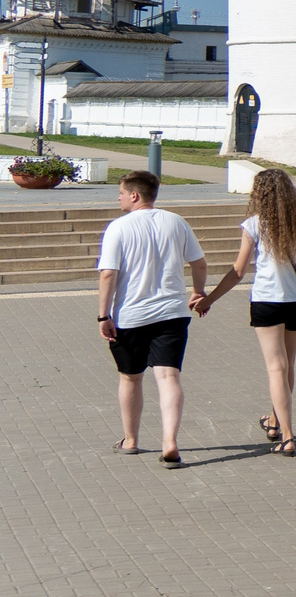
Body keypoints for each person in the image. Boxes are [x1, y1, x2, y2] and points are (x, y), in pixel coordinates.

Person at [198, 168, 296, 456]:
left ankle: (288, 435)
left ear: (260, 194)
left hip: (267, 302)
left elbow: (238, 271)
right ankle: (274, 420)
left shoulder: (255, 224)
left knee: (276, 367)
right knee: (287, 364)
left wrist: (210, 299)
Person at [95, 170, 207, 466]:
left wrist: (103, 315)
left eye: (120, 192)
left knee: (130, 377)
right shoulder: (177, 221)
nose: (118, 197)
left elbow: (108, 273)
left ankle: (130, 440)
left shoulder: (118, 228)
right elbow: (199, 262)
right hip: (172, 313)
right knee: (169, 376)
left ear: (134, 195)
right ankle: (170, 440)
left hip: (131, 316)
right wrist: (198, 291)